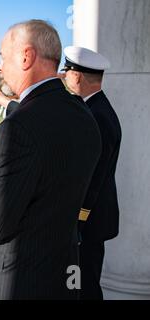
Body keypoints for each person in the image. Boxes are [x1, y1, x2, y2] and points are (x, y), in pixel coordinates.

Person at [0, 20, 102, 300]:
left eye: (2, 56)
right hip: (62, 275)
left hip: (15, 282)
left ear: (26, 56)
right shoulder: (83, 116)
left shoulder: (17, 129)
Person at [62, 46, 122, 300]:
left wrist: (77, 219)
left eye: (66, 73)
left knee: (82, 287)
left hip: (88, 221)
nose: (64, 77)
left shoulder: (96, 116)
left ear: (76, 76)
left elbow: (93, 177)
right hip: (90, 219)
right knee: (79, 284)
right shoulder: (95, 106)